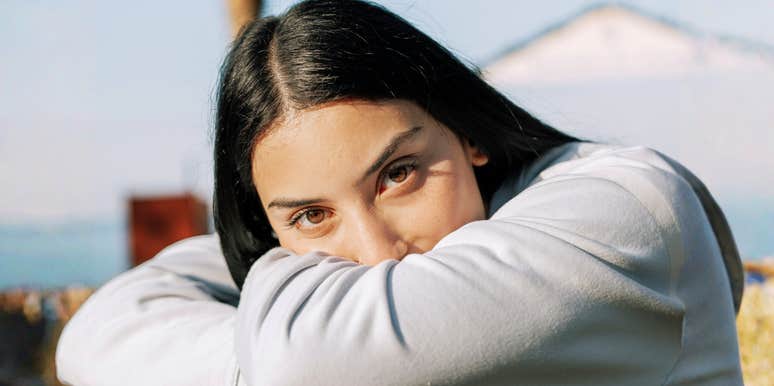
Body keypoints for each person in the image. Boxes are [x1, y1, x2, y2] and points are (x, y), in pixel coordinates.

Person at [55, 1, 745, 385]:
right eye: (311, 215)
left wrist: (281, 342)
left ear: (470, 134)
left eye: (398, 175)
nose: (376, 252)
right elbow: (97, 334)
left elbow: (305, 361)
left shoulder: (621, 206)